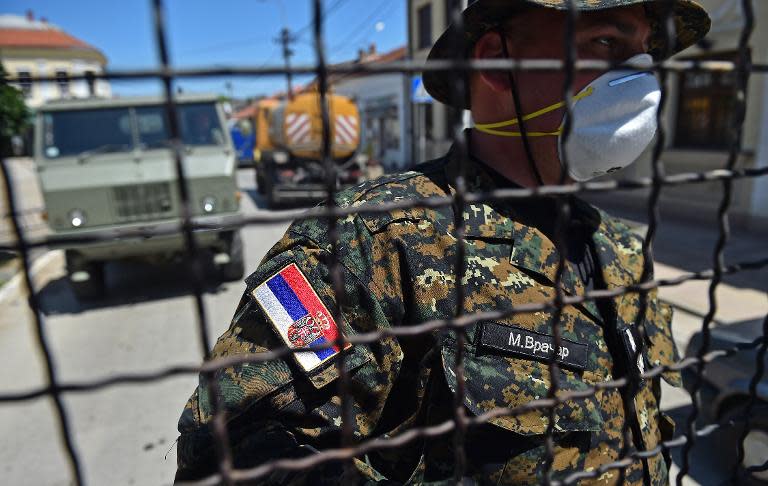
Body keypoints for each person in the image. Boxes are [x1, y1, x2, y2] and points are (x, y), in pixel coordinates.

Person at [175, 0, 710, 484]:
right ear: (497, 62)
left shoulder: (617, 250)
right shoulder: (371, 240)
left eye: (645, 52)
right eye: (606, 44)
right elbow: (234, 454)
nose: (641, 77)